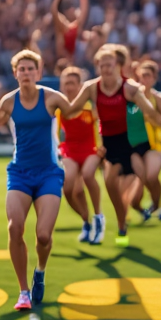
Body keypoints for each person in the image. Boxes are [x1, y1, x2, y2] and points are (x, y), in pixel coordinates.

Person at [0, 50, 80, 311]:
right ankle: (23, 291)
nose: (26, 73)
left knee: (43, 236)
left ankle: (40, 272)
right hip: (20, 173)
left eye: (30, 69)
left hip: (49, 173)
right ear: (15, 74)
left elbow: (73, 111)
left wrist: (90, 91)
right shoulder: (9, 101)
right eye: (21, 69)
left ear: (38, 72)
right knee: (15, 228)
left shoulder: (51, 97)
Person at [67, 44, 161, 248]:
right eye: (102, 65)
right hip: (109, 144)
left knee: (145, 178)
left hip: (130, 142)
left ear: (117, 66)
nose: (105, 68)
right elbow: (71, 109)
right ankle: (123, 223)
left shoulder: (129, 88)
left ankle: (155, 204)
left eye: (109, 64)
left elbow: (149, 112)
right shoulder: (92, 88)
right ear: (97, 66)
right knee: (111, 186)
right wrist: (50, 106)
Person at [56, 66, 105, 244]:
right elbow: (55, 131)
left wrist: (102, 146)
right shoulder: (60, 107)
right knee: (70, 189)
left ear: (80, 86)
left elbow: (100, 125)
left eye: (72, 83)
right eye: (66, 83)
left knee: (88, 174)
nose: (69, 87)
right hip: (70, 149)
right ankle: (86, 220)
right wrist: (57, 148)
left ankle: (98, 217)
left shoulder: (89, 106)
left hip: (90, 148)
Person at [125, 59, 161, 223]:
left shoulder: (158, 98)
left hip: (154, 145)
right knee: (135, 201)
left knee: (151, 176)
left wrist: (155, 117)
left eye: (148, 76)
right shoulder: (132, 95)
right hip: (133, 146)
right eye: (142, 75)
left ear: (154, 78)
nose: (144, 79)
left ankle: (159, 203)